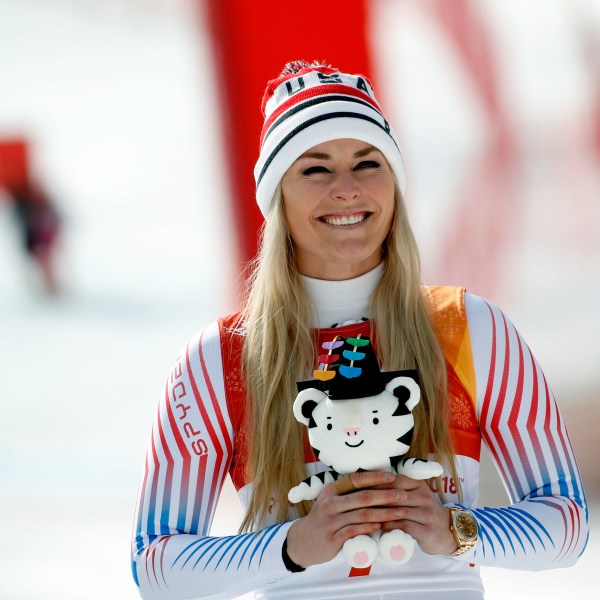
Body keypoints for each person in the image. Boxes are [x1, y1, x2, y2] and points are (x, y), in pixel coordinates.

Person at [131, 61, 589, 600]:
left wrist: (458, 529)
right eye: (316, 169)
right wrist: (293, 544)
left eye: (368, 163)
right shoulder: (220, 358)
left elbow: (568, 526)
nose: (347, 190)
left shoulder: (470, 328)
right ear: (278, 197)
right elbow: (154, 566)